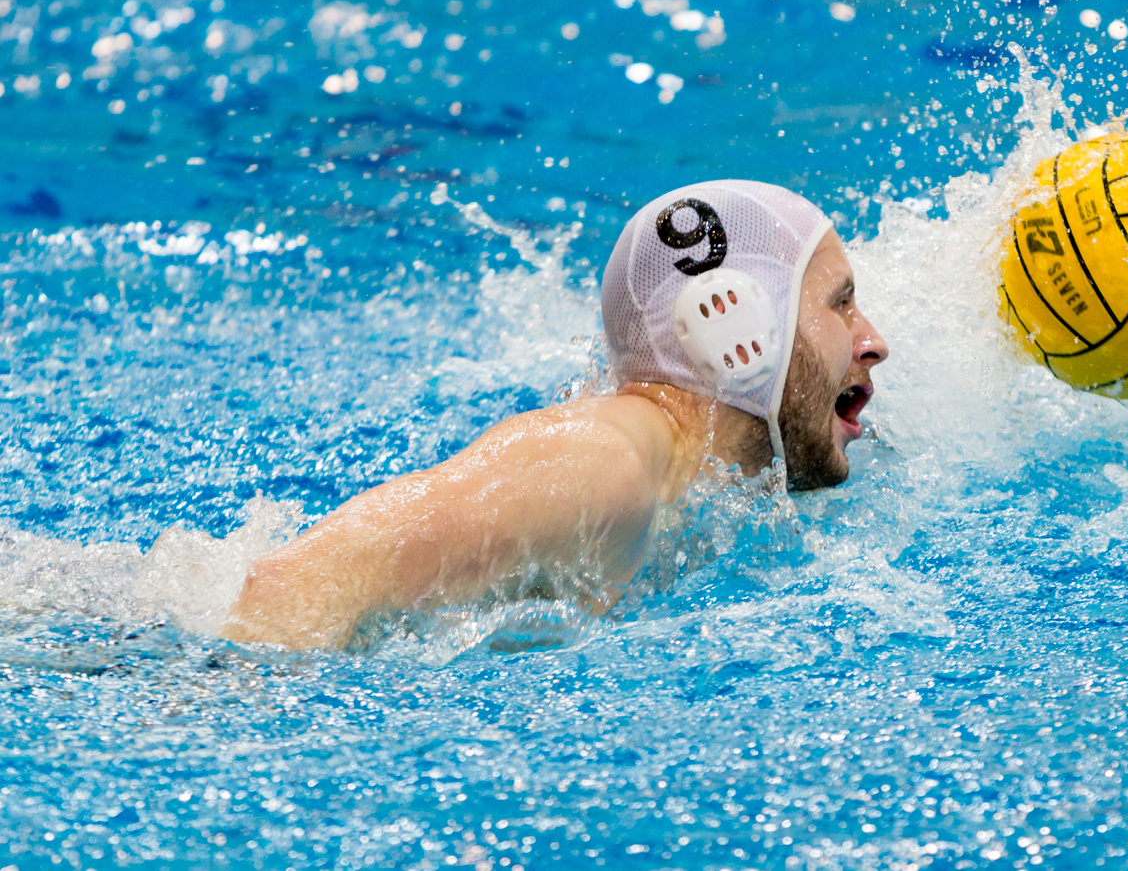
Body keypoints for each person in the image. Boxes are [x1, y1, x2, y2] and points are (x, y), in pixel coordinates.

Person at [221, 180, 889, 650]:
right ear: (738, 320)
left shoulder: (683, 480)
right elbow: (295, 580)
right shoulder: (601, 463)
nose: (873, 341)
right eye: (840, 303)